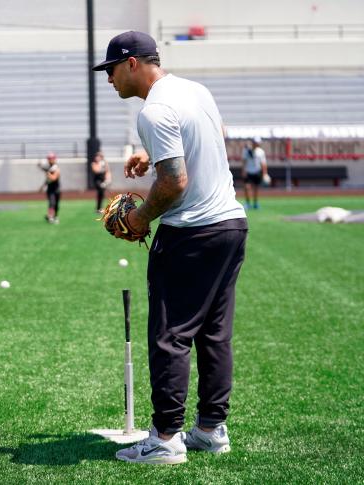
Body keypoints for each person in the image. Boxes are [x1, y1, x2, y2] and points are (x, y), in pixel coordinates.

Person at [93, 31, 248, 465]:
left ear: (132, 64)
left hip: (192, 232)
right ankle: (210, 429)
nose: (109, 80)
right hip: (231, 224)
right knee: (215, 334)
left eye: (110, 71)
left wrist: (138, 220)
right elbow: (214, 133)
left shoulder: (154, 109)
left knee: (170, 335)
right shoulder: (194, 89)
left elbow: (175, 182)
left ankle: (164, 439)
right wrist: (154, 154)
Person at [241, 137, 268, 209]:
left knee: (256, 188)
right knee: (247, 187)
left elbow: (263, 163)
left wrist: (265, 173)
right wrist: (243, 170)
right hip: (248, 171)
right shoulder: (246, 150)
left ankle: (255, 203)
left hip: (257, 171)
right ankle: (247, 203)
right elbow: (244, 161)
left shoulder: (261, 152)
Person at [41, 152, 61, 224]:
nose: (50, 160)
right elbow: (48, 180)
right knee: (52, 203)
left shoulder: (56, 167)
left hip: (57, 189)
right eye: (49, 158)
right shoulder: (49, 168)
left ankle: (55, 216)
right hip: (50, 189)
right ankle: (50, 217)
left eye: (52, 158)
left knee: (56, 205)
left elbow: (54, 178)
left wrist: (48, 172)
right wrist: (42, 187)